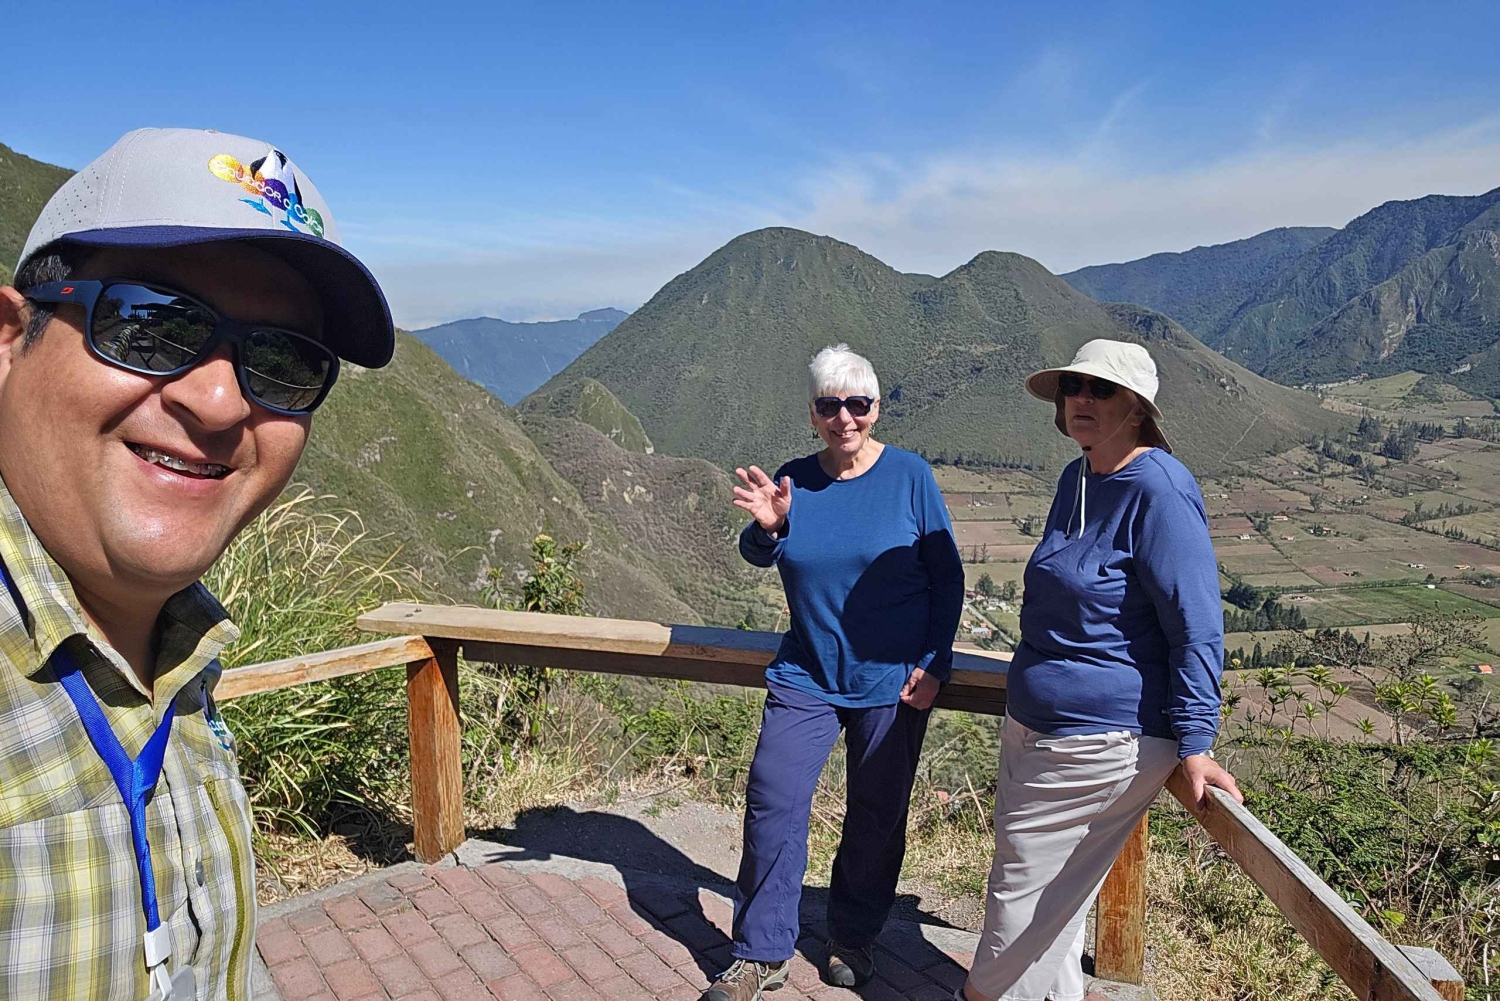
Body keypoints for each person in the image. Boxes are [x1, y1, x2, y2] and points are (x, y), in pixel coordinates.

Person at [0, 128, 393, 1000]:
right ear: (7, 339)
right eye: (150, 322)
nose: (219, 401)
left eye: (284, 362)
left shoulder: (181, 653)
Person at [962, 339, 1243, 1001]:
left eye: (1100, 390)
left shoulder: (1161, 492)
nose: (1080, 400)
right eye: (1074, 388)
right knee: (1050, 914)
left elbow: (1196, 623)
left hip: (1102, 738)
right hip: (1037, 725)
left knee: (1016, 908)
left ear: (1138, 407)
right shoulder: (1079, 476)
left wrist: (1197, 743)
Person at [702, 344, 965, 1001]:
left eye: (858, 404)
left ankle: (852, 936)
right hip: (808, 672)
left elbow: (947, 577)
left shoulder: (910, 478)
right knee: (774, 798)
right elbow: (757, 549)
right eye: (829, 405)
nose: (844, 416)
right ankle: (760, 952)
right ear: (813, 413)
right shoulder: (794, 479)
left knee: (876, 812)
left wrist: (936, 662)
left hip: (892, 678)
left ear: (876, 409)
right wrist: (770, 528)